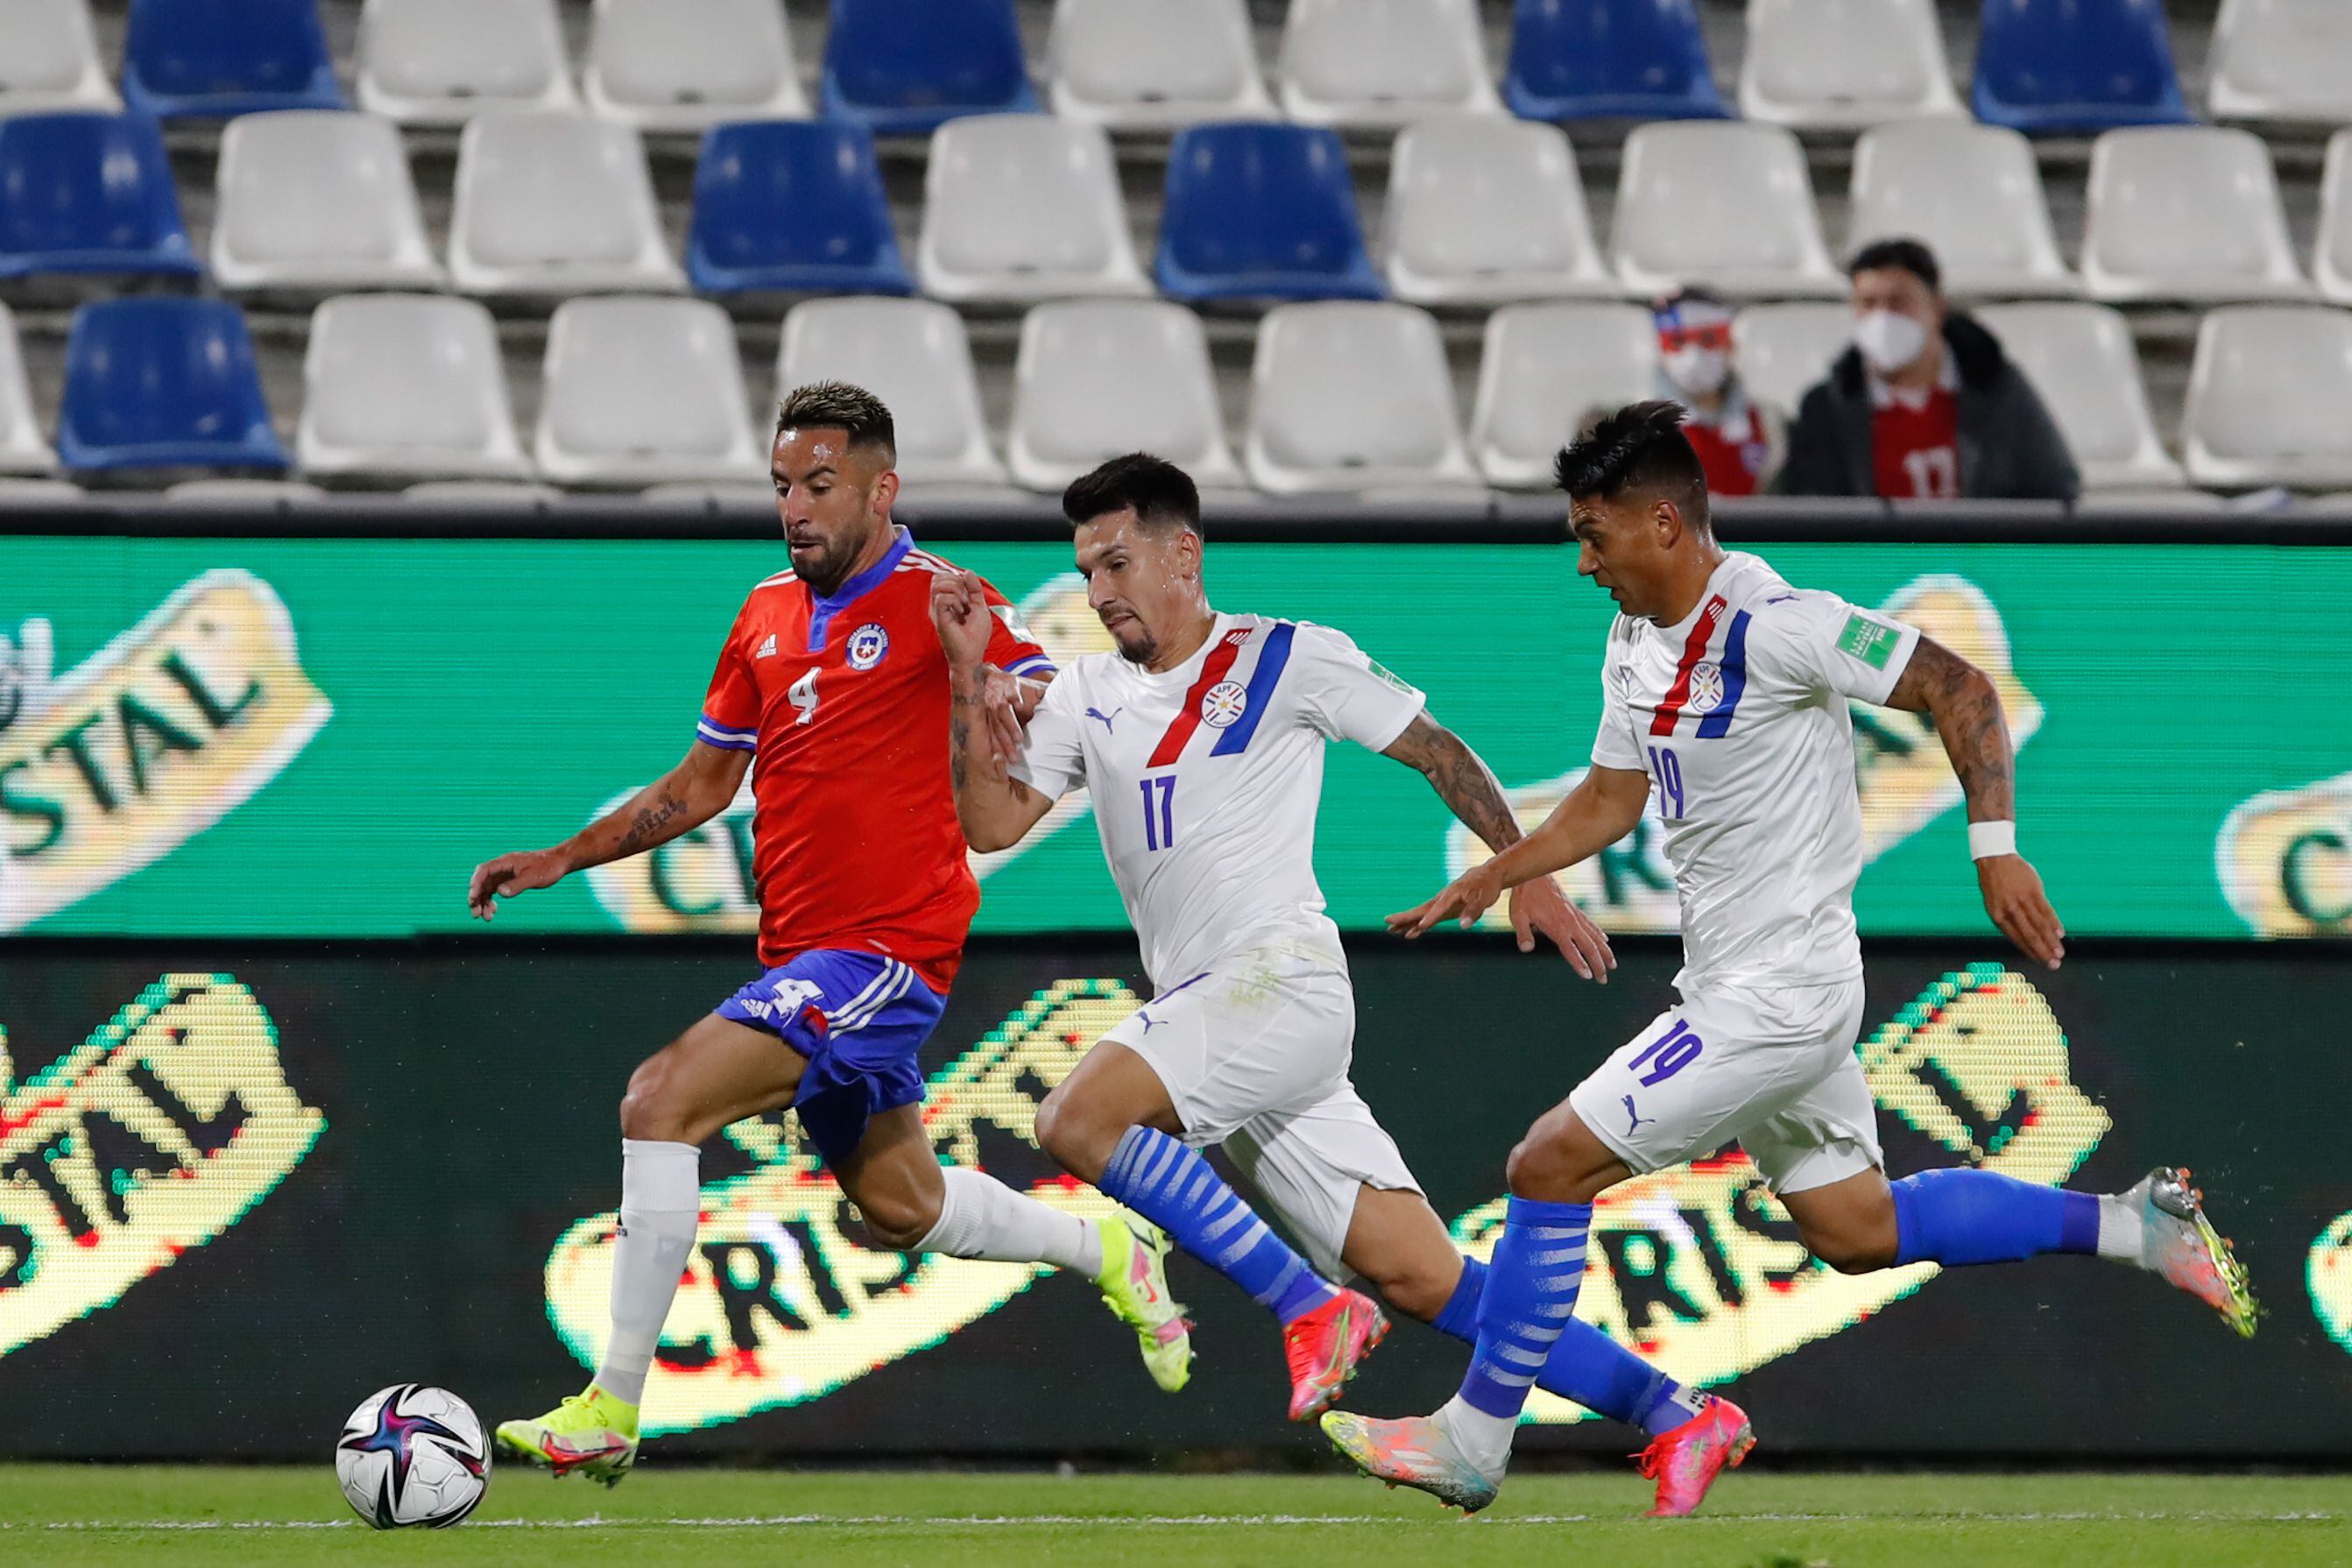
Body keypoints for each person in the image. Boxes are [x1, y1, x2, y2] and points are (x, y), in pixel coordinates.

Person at [1325, 402, 2254, 1517]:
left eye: (1593, 534)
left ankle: (1474, 1438)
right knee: (1855, 1229)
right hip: (1738, 985)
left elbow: (1959, 687)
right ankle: (2134, 1225)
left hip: (1783, 993)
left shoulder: (1782, 624)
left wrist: (1995, 849)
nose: (1581, 561)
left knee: (1545, 1165)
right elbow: (1615, 795)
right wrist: (1508, 867)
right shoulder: (1633, 639)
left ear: (1663, 521)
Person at [934, 452, 1743, 1474]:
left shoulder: (1287, 655)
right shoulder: (1085, 693)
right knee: (1422, 1275)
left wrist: (1520, 872)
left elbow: (1439, 750)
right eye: (1088, 570)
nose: (1100, 591)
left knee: (1077, 1117)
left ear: (1185, 554)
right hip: (1214, 1011)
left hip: (1281, 982)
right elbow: (990, 822)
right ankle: (1674, 1411)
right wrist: (971, 678)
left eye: (1119, 561)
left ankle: (1306, 1303)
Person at [468, 385, 1191, 1487]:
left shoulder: (941, 595)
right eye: (781, 487)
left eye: (819, 486)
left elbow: (1051, 693)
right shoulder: (762, 612)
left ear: (879, 489)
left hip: (886, 949)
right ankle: (1104, 1245)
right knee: (903, 1204)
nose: (795, 509)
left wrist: (987, 682)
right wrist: (566, 855)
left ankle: (613, 1402)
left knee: (659, 1096)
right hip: (800, 953)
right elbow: (705, 782)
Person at [1778, 237, 2078, 501]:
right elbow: (1811, 509)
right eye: (1868, 303)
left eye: (1898, 303)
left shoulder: (2000, 391)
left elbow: (2056, 487)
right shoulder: (1826, 409)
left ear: (1936, 309)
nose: (1882, 319)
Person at [1647, 286, 1781, 497]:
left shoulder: (1768, 424)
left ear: (1731, 346)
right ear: (1659, 348)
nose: (1694, 355)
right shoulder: (1630, 431)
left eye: (1708, 339)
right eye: (1678, 341)